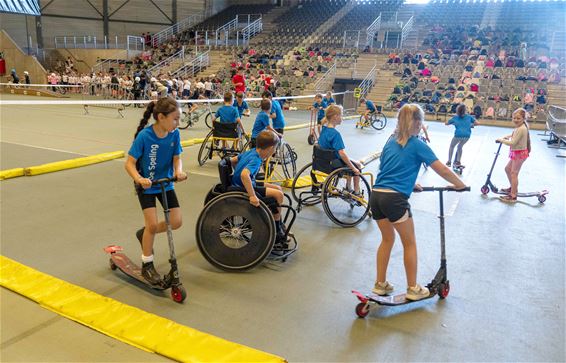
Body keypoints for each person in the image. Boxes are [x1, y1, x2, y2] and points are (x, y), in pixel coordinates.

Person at [371, 104, 466, 301]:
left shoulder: (390, 142)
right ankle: (413, 288)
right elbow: (443, 170)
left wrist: (410, 182)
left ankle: (380, 284)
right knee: (410, 244)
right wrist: (460, 184)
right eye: (420, 121)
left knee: (387, 240)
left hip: (377, 195)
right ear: (416, 122)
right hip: (395, 199)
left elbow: (388, 168)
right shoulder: (417, 144)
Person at [124, 98, 187, 285]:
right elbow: (129, 164)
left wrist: (178, 171)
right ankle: (147, 263)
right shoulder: (145, 136)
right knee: (152, 225)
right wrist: (139, 179)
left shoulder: (174, 135)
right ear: (161, 117)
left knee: (176, 222)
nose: (178, 123)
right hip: (147, 186)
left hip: (166, 183)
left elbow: (177, 158)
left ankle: (145, 233)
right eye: (175, 119)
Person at [230, 130, 288, 245]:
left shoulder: (250, 152)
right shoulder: (256, 160)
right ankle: (276, 229)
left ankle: (277, 220)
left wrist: (236, 170)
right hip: (244, 187)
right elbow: (244, 174)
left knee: (278, 189)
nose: (275, 151)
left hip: (242, 184)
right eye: (275, 148)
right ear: (270, 148)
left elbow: (233, 160)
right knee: (279, 195)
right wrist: (252, 196)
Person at [318, 104, 362, 195]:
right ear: (335, 117)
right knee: (357, 166)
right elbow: (342, 154)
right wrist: (354, 168)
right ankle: (357, 191)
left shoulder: (324, 129)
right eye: (341, 115)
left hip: (322, 161)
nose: (342, 118)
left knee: (350, 162)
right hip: (333, 163)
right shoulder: (335, 134)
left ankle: (348, 187)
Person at [496, 108, 531, 203]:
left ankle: (513, 195)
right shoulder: (519, 127)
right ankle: (513, 188)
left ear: (523, 119)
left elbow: (513, 143)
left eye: (518, 118)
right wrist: (508, 136)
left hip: (519, 154)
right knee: (507, 169)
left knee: (514, 173)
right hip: (517, 152)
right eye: (514, 118)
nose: (515, 120)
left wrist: (501, 140)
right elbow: (514, 136)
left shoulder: (522, 128)